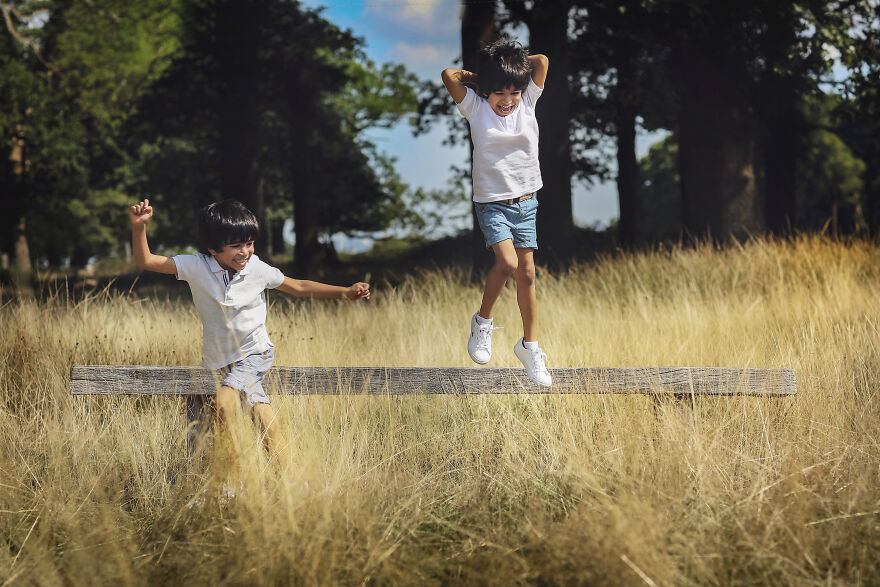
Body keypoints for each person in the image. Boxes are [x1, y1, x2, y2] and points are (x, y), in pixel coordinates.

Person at [129, 198, 369, 460]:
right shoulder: (196, 266)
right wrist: (139, 227)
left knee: (223, 403)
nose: (245, 252)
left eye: (249, 243)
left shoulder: (257, 269)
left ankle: (234, 473)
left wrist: (344, 293)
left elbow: (298, 287)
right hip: (218, 361)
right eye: (236, 246)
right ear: (212, 248)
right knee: (260, 413)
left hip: (255, 353)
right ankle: (290, 478)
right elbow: (147, 261)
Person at [441, 39, 552, 386]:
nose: (507, 101)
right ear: (487, 91)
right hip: (493, 204)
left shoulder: (528, 101)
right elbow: (449, 75)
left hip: (527, 202)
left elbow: (542, 61)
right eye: (499, 93)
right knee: (507, 264)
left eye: (513, 93)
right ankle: (482, 322)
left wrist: (511, 71)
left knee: (528, 275)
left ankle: (529, 346)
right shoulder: (475, 107)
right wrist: (486, 77)